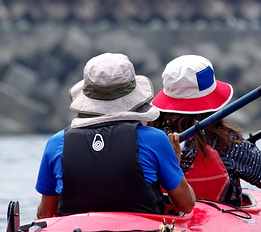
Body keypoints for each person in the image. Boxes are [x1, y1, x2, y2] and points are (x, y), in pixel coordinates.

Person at [35, 53, 195, 219]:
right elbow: (186, 204)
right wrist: (175, 164)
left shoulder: (56, 143)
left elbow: (45, 213)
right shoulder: (156, 140)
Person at [150, 55, 261, 206]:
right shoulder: (227, 143)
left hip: (162, 220)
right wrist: (249, 148)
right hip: (216, 220)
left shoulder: (150, 137)